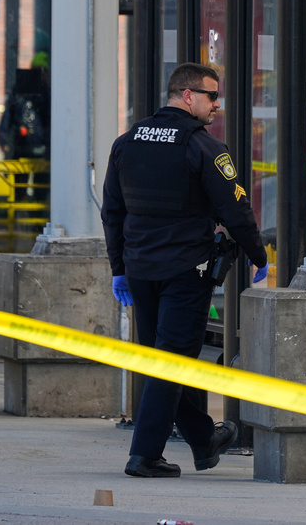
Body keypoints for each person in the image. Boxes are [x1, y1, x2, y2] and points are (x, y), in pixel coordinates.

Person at [101, 62, 268, 478]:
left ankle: (202, 438)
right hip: (184, 272)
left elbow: (112, 212)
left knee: (168, 358)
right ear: (188, 96)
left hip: (140, 270)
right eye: (212, 96)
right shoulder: (204, 147)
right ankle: (144, 454)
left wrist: (119, 267)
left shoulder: (127, 142)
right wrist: (259, 254)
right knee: (173, 361)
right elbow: (236, 209)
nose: (217, 105)